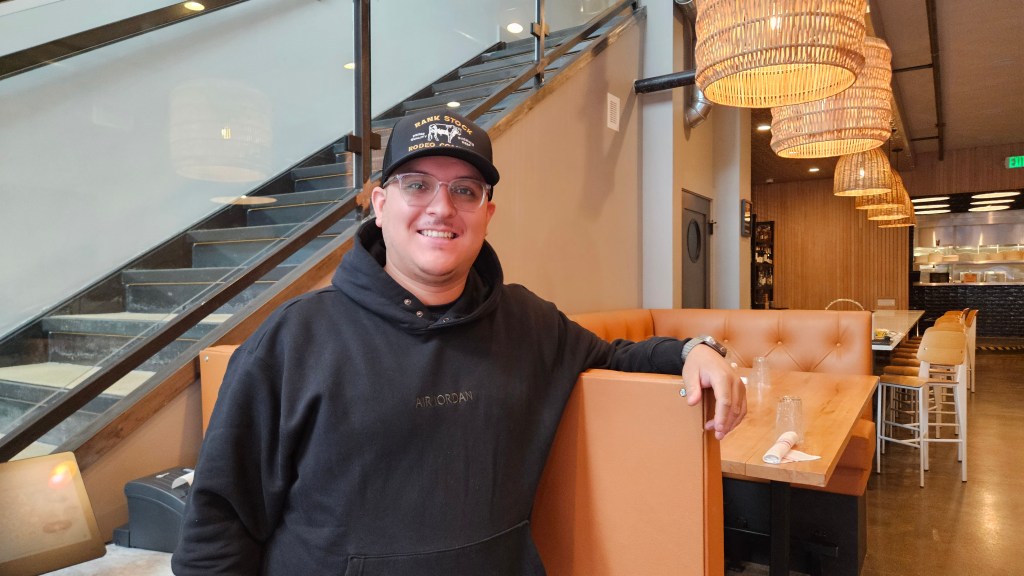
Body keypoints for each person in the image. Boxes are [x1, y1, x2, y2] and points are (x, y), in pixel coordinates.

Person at [172, 111, 745, 575]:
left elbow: (615, 355)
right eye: (416, 185)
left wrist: (695, 349)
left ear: (486, 213)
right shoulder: (293, 339)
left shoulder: (527, 322)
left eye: (464, 190)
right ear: (379, 204)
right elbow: (218, 527)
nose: (441, 208)